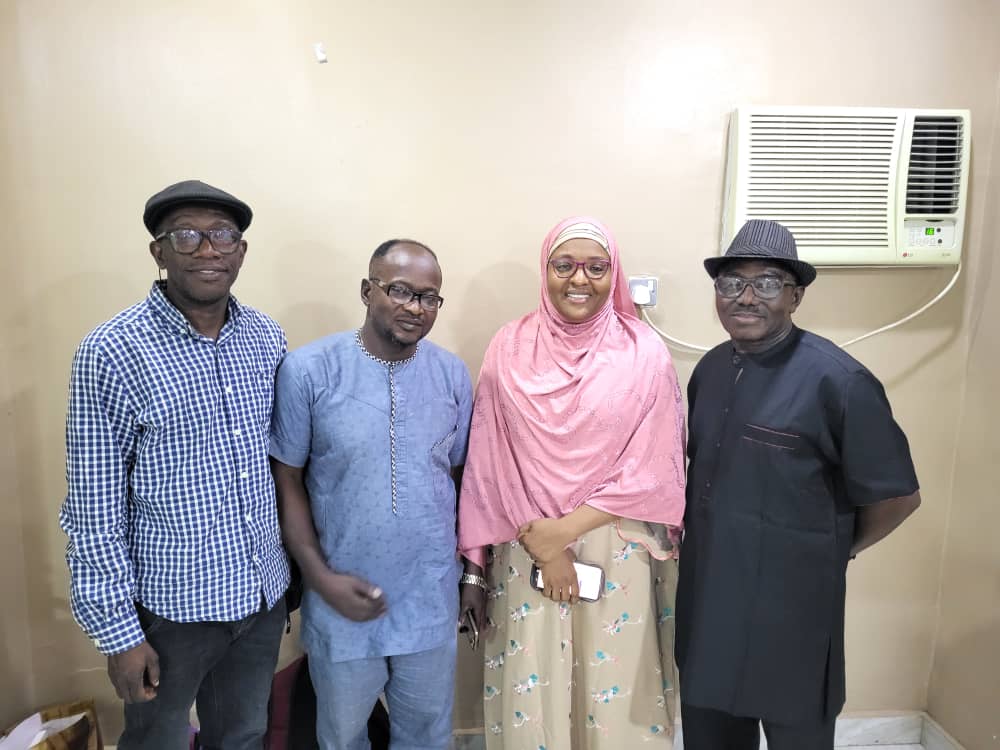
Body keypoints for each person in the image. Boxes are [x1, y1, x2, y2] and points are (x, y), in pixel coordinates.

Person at [60, 180, 290, 749]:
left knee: (243, 736)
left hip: (260, 599)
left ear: (241, 250)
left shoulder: (266, 337)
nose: (208, 250)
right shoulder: (111, 351)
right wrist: (118, 634)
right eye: (187, 236)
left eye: (224, 235)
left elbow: (282, 468)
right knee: (155, 743)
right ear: (159, 252)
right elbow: (93, 509)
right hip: (169, 616)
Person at [675, 219, 922, 750]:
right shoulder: (710, 371)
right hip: (711, 601)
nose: (744, 297)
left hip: (793, 615)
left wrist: (833, 549)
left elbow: (898, 495)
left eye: (765, 283)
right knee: (711, 736)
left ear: (795, 296)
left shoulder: (840, 381)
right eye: (730, 282)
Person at [457, 217, 687, 749]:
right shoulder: (508, 346)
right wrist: (544, 546)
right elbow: (493, 458)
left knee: (612, 691)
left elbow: (657, 461)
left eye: (596, 267)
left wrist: (565, 533)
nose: (579, 279)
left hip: (616, 543)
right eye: (564, 265)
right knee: (533, 692)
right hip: (526, 542)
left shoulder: (644, 351)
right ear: (546, 271)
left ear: (615, 274)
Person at [269, 239, 473, 750]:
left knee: (427, 736)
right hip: (341, 596)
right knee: (341, 737)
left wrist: (472, 570)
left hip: (428, 596)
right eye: (400, 291)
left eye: (429, 297)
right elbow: (286, 479)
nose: (415, 308)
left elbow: (463, 478)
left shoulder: (451, 374)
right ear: (367, 291)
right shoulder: (309, 371)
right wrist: (319, 578)